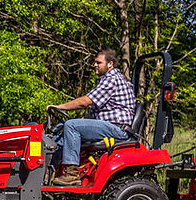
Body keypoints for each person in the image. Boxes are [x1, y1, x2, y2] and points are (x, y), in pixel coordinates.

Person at [48, 49, 136, 186]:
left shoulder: (112, 80)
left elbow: (85, 102)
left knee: (71, 126)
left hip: (117, 128)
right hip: (109, 125)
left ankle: (71, 174)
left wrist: (60, 107)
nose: (94, 65)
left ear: (110, 64)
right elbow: (97, 111)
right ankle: (48, 172)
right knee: (60, 129)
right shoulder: (107, 80)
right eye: (94, 62)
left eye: (98, 62)